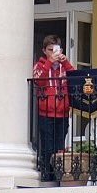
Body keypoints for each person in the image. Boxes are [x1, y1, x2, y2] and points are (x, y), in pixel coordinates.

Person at [33, 34, 76, 182]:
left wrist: (66, 63)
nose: (53, 53)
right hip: (46, 113)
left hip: (62, 113)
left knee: (59, 148)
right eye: (50, 50)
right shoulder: (40, 65)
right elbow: (39, 81)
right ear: (44, 50)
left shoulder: (64, 67)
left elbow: (76, 81)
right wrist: (49, 63)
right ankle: (47, 176)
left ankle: (58, 176)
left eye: (56, 49)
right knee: (47, 148)